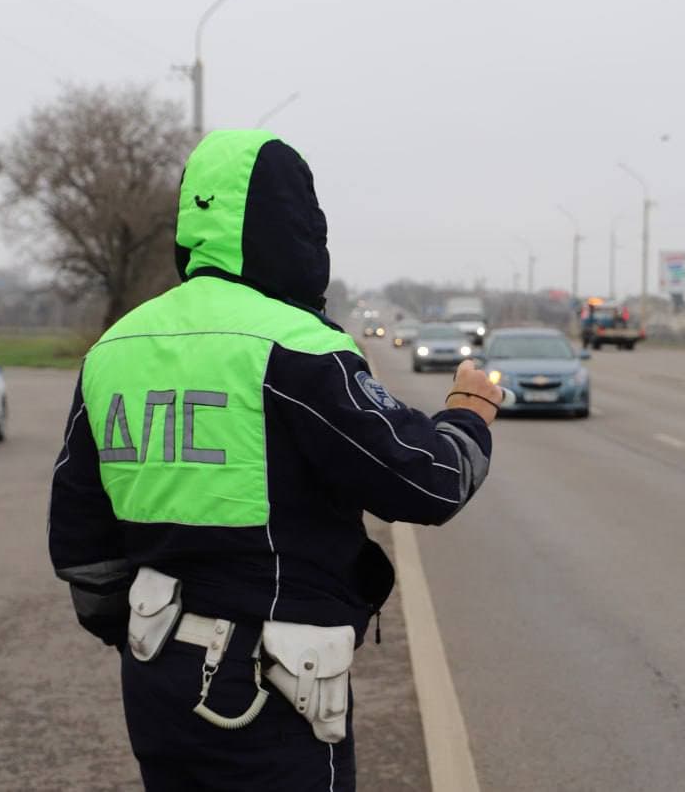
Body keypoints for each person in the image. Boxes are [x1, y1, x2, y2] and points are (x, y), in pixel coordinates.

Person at [48, 129, 502, 791]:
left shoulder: (116, 346)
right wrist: (469, 410)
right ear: (293, 225)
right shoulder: (297, 347)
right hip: (269, 693)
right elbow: (427, 482)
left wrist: (146, 638)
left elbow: (82, 547)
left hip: (156, 682)